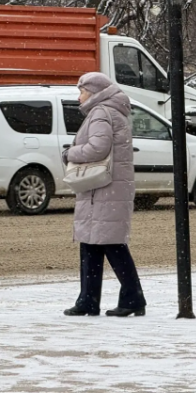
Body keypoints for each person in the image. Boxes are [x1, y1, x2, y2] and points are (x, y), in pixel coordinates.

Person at [63, 72, 147, 318]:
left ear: (94, 92)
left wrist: (71, 153)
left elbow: (98, 148)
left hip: (103, 190)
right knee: (94, 244)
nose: (79, 97)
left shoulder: (100, 112)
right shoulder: (113, 111)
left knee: (109, 245)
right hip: (109, 189)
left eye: (82, 91)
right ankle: (92, 300)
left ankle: (127, 298)